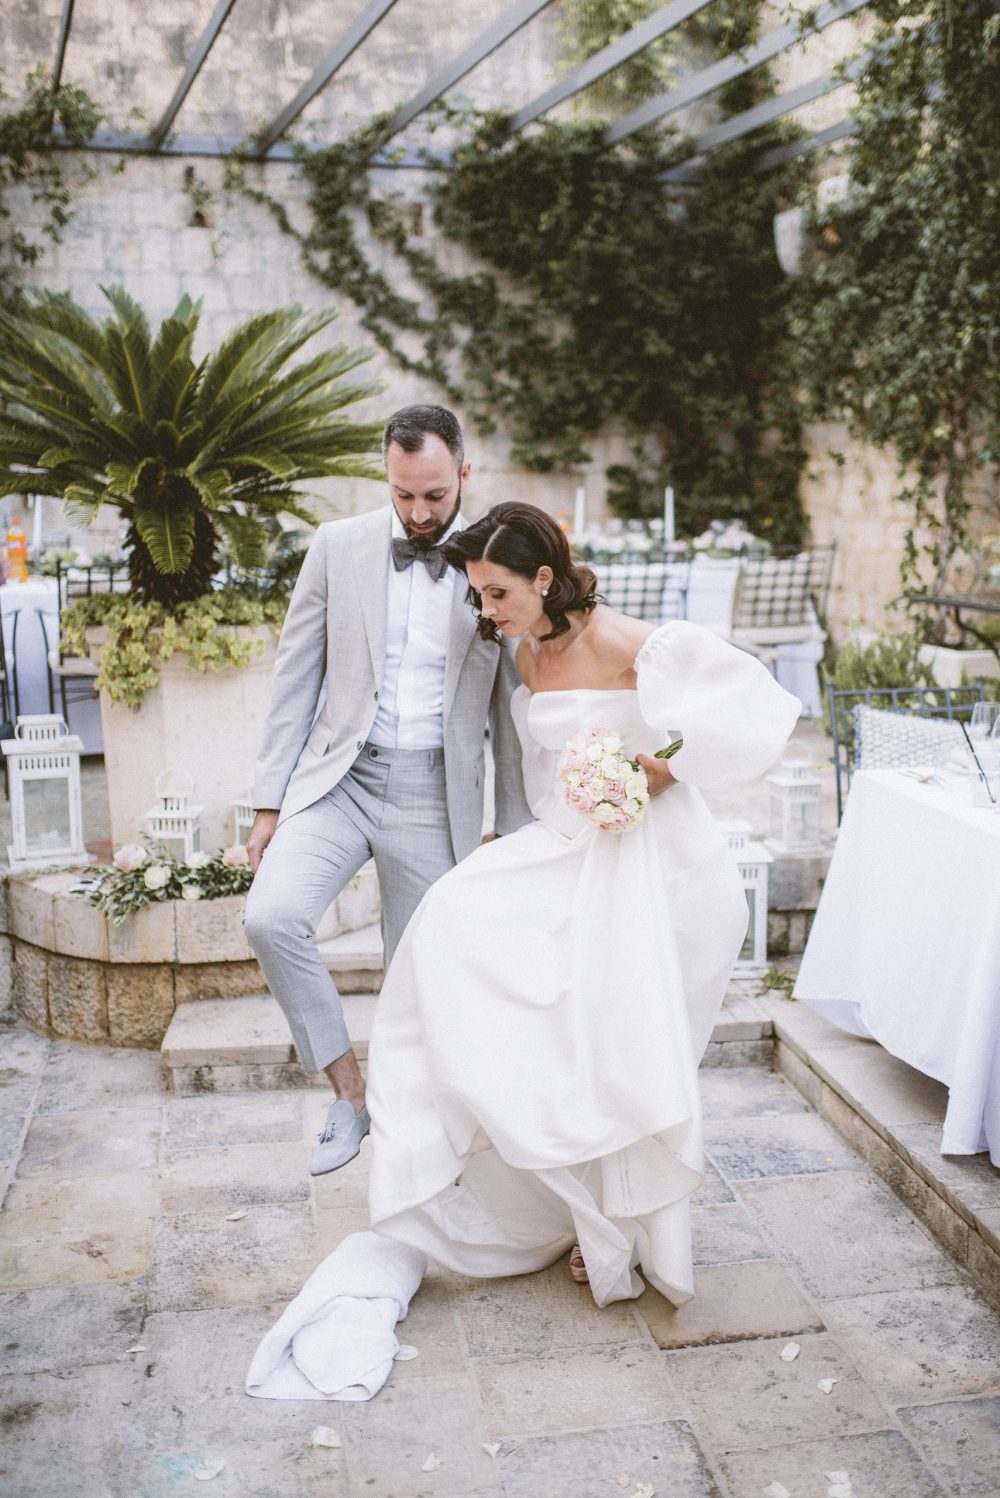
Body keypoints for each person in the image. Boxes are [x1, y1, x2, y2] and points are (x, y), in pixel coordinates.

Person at [363, 502, 802, 1307]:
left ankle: (625, 1226)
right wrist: (532, 836)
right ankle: (542, 1189)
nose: (487, 613)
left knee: (619, 1031)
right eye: (478, 597)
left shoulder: (628, 641)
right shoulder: (527, 656)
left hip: (656, 856)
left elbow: (748, 707)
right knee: (451, 924)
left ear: (542, 577)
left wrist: (655, 770)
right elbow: (543, 777)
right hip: (575, 841)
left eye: (498, 594)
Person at [243, 408, 531, 1177]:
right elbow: (294, 678)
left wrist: (512, 826)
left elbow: (511, 707)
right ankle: (347, 1093)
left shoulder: (497, 561)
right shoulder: (337, 548)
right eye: (404, 496)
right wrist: (269, 802)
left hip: (437, 798)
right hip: (339, 780)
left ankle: (411, 1136)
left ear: (465, 475)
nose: (420, 513)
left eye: (435, 495)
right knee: (271, 917)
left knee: (417, 978)